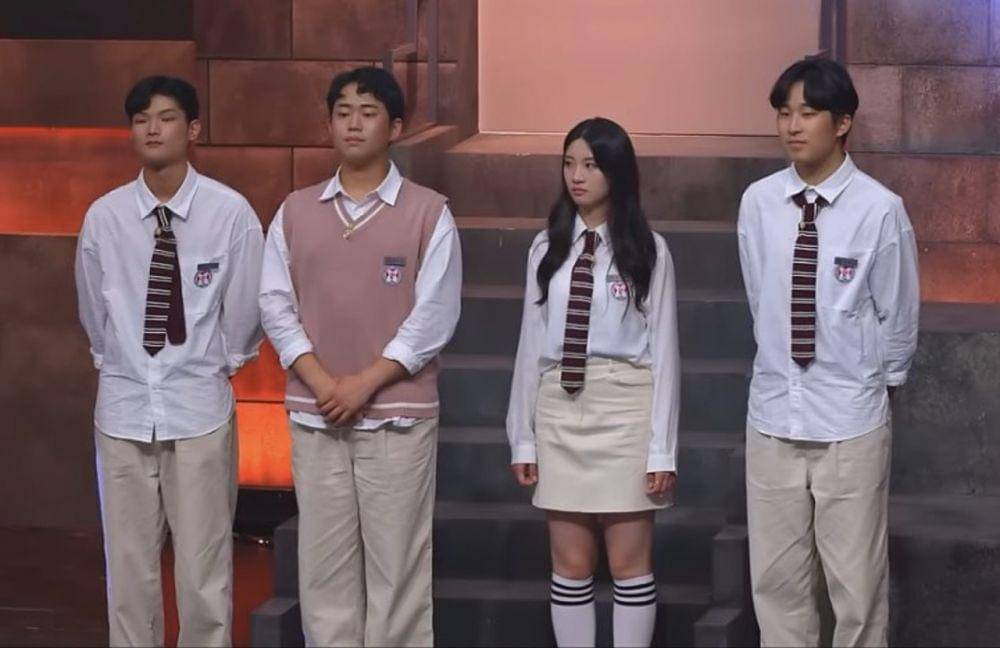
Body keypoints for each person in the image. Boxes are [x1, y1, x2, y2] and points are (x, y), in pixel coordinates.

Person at [259, 66, 462, 647]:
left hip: (397, 417)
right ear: (328, 124)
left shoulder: (429, 212)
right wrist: (324, 382)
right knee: (324, 571)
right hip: (316, 412)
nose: (353, 123)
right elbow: (274, 304)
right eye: (342, 112)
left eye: (368, 112)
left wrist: (364, 383)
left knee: (397, 569)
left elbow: (434, 316)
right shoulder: (295, 210)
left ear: (394, 127)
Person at [74, 75, 264, 646]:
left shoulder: (229, 213)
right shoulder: (104, 217)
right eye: (141, 120)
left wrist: (213, 364)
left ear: (193, 128)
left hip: (199, 410)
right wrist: (120, 364)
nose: (152, 129)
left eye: (166, 118)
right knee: (128, 569)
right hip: (123, 409)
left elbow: (244, 312)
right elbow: (94, 314)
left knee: (205, 570)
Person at [737, 57, 920, 647]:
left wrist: (875, 387)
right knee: (777, 588)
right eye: (784, 113)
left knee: (857, 591)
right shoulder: (759, 202)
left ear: (842, 122)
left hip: (850, 422)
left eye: (808, 112)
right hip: (773, 417)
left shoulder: (879, 208)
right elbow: (760, 296)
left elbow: (898, 318)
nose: (792, 126)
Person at [506, 117, 681, 648]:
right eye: (569, 164)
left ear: (617, 172)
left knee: (629, 564)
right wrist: (523, 435)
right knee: (570, 563)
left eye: (590, 165)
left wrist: (662, 450)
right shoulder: (546, 247)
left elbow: (665, 352)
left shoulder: (649, 249)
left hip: (625, 408)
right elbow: (530, 344)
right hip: (561, 407)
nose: (577, 176)